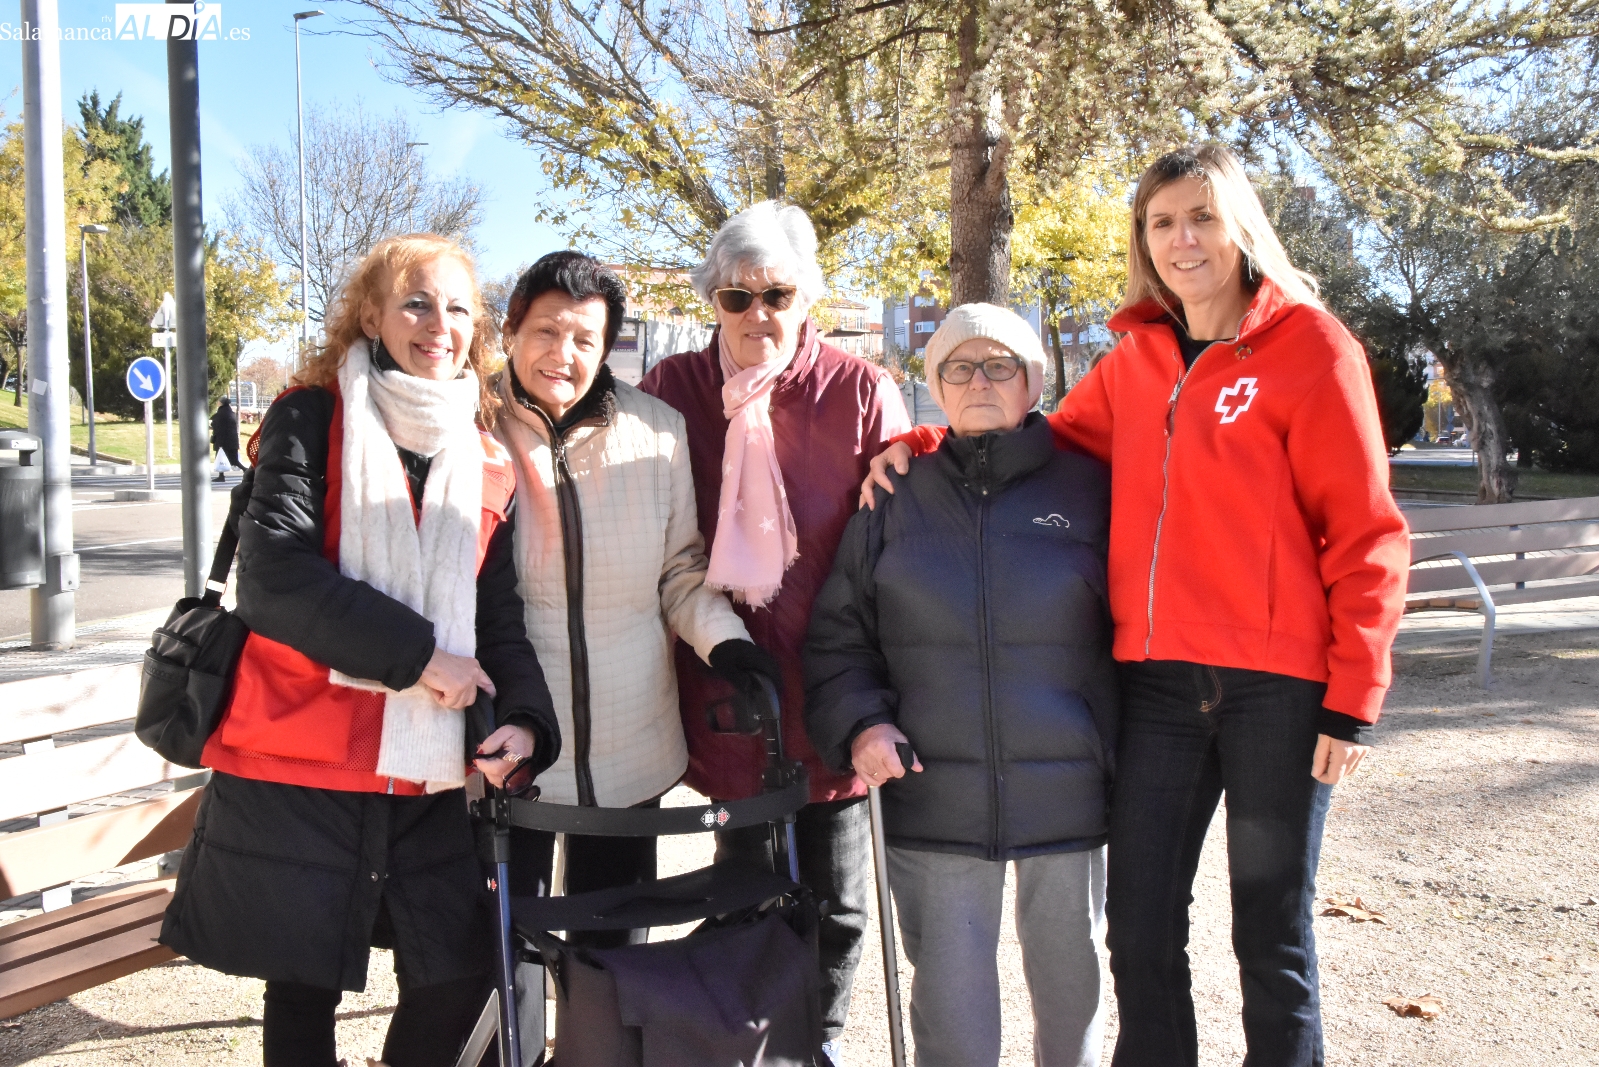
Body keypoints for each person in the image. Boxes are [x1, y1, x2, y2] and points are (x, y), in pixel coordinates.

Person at [861, 144, 1410, 1067]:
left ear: (1239, 227)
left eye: (1200, 217)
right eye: (1161, 224)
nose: (1182, 240)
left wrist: (1353, 697)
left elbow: (1367, 533)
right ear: (1143, 241)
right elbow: (1038, 441)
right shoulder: (1137, 360)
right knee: (1140, 925)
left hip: (1278, 687)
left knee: (1267, 928)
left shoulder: (1312, 347)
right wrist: (923, 438)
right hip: (1155, 686)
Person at [161, 234, 560, 1067]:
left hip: (426, 773)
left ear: (476, 328)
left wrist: (524, 720)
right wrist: (419, 657)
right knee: (302, 988)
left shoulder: (488, 454)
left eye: (456, 308)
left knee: (451, 975)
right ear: (372, 313)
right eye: (415, 302)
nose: (436, 324)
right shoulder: (311, 415)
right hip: (297, 762)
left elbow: (497, 614)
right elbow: (272, 578)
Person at [806, 304, 1115, 1067]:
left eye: (999, 365)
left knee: (1072, 986)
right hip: (930, 789)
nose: (980, 380)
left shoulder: (1091, 489)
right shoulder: (889, 497)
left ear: (1034, 381)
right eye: (959, 367)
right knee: (949, 1007)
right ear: (935, 388)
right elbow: (837, 638)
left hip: (1067, 794)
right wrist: (863, 726)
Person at [640, 200, 912, 1066]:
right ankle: (736, 1043)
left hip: (833, 673)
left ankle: (817, 1042)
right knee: (738, 883)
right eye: (735, 297)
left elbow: (907, 523)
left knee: (834, 896)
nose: (757, 314)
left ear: (810, 301)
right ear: (709, 301)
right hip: (722, 677)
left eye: (778, 294)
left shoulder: (860, 389)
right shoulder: (673, 390)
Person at [494, 250, 777, 934]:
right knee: (506, 949)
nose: (563, 353)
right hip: (509, 740)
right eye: (546, 331)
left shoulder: (656, 428)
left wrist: (730, 647)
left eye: (585, 339)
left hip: (631, 744)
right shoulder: (470, 423)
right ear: (510, 332)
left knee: (612, 955)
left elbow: (680, 573)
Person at [211, 396, 244, 482]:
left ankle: (221, 476)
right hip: (232, 441)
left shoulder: (221, 413)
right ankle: (246, 471)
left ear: (221, 403)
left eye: (218, 402)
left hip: (223, 441)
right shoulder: (230, 413)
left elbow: (216, 425)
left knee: (220, 458)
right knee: (234, 460)